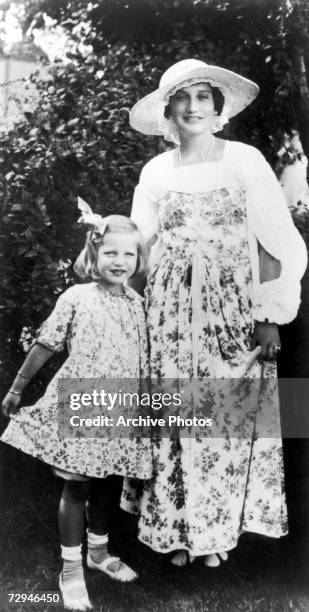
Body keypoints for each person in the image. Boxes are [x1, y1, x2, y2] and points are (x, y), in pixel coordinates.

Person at [122, 58, 308, 567]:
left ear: (217, 106)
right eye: (183, 98)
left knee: (225, 412)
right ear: (169, 111)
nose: (194, 107)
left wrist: (269, 312)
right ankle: (179, 532)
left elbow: (276, 242)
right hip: (169, 310)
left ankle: (217, 535)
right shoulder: (155, 171)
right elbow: (138, 244)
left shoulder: (244, 160)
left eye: (203, 96)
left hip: (230, 308)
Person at [1, 208, 152, 610]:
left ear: (138, 261)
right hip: (81, 403)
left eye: (128, 256)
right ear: (93, 253)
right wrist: (18, 388)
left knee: (106, 481)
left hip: (119, 407)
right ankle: (70, 569)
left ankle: (98, 553)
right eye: (110, 254)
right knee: (77, 483)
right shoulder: (77, 297)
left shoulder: (139, 305)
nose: (119, 262)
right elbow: (46, 342)